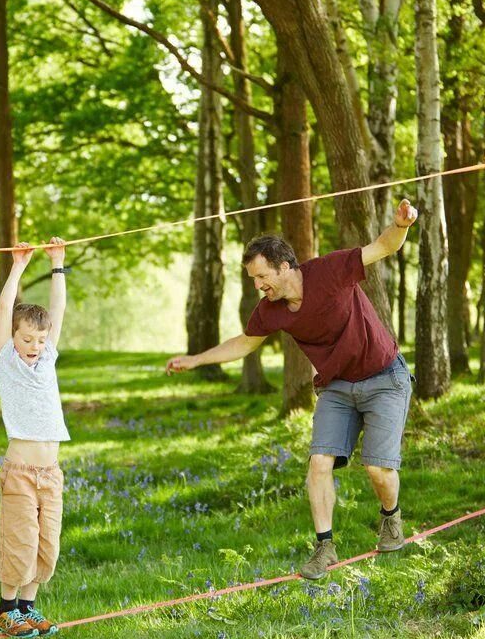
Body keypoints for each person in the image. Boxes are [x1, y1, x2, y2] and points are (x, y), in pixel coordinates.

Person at [166, 200, 419, 580]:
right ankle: (324, 548)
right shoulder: (271, 308)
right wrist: (196, 360)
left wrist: (400, 225)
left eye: (262, 276)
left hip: (384, 377)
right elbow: (244, 342)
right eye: (253, 279)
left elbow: (383, 247)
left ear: (285, 266)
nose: (258, 285)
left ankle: (390, 518)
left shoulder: (330, 271)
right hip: (336, 386)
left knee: (378, 469)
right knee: (319, 464)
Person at [0, 237, 70, 639]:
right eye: (27, 340)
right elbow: (6, 308)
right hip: (20, 471)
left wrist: (58, 263)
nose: (34, 347)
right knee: (19, 541)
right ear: (13, 339)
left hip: (50, 473)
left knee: (46, 546)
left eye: (40, 340)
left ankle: (29, 608)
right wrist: (19, 264)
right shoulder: (7, 362)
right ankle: (7, 610)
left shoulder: (47, 358)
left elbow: (57, 310)